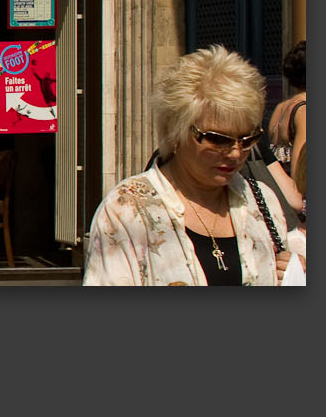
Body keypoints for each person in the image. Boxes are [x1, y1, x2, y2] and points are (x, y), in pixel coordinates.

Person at [84, 46, 296, 286]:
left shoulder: (262, 202)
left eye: (248, 139)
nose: (236, 152)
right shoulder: (126, 209)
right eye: (218, 139)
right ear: (177, 132)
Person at [265, 40, 305, 224]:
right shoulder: (305, 111)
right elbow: (301, 172)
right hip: (299, 214)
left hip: (280, 207)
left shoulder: (282, 107)